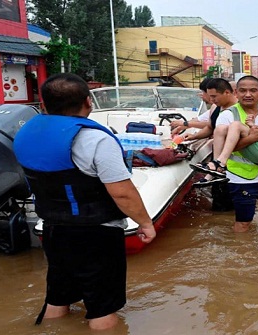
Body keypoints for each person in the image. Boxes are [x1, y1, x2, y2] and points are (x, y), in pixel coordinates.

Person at [13, 73, 156, 330]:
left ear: (44, 104)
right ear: (88, 102)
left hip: (53, 229)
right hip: (96, 232)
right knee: (101, 307)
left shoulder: (26, 134)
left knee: (57, 297)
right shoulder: (95, 139)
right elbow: (122, 192)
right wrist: (145, 223)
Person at [199, 76, 258, 232]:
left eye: (253, 90)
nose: (248, 94)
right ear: (236, 93)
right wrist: (250, 139)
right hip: (241, 177)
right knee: (243, 223)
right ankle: (241, 253)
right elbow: (223, 148)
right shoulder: (228, 116)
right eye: (243, 91)